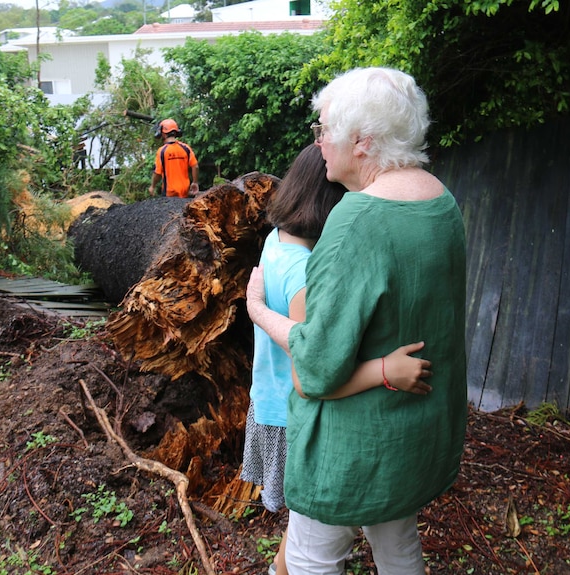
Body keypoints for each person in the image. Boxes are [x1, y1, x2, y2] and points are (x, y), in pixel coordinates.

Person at [246, 67, 468, 575]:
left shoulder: (355, 222)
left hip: (351, 448)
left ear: (363, 143)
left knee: (310, 560)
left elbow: (317, 370)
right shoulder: (439, 200)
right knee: (399, 549)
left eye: (324, 130)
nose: (319, 143)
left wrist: (258, 311)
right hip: (413, 437)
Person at [149, 118, 199, 197]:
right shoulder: (186, 148)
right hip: (185, 193)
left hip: (169, 194)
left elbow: (157, 173)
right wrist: (195, 182)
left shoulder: (162, 151)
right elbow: (195, 166)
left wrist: (152, 186)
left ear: (163, 133)